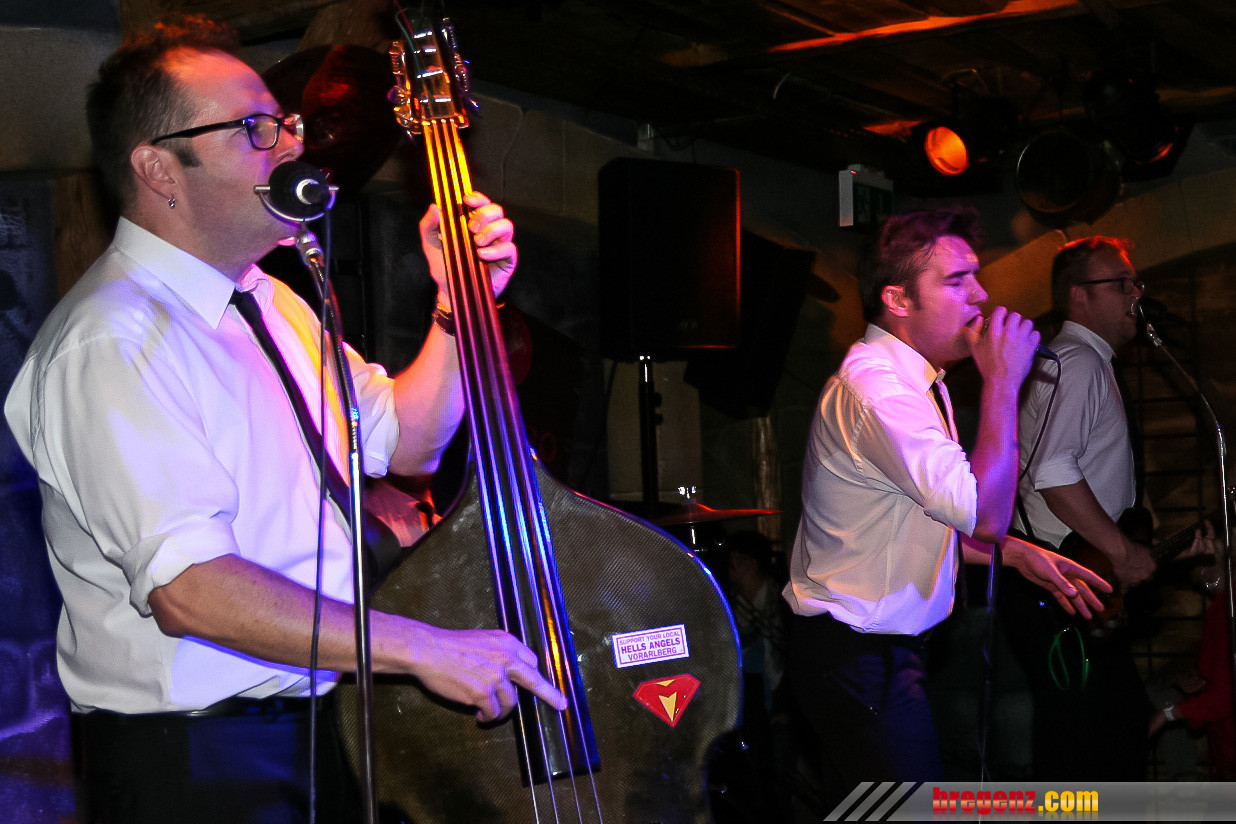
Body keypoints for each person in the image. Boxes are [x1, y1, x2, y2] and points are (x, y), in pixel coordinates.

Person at [3, 16, 566, 824]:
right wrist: (420, 646)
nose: (292, 147)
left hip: (317, 722)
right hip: (203, 761)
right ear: (159, 168)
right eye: (254, 129)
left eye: (286, 124)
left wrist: (456, 301)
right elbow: (191, 589)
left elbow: (408, 439)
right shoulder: (112, 340)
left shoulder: (273, 302)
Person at [782, 207, 1109, 804]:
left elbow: (913, 521)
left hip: (874, 653)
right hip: (858, 654)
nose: (980, 294)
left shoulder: (915, 381)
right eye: (957, 281)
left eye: (975, 277)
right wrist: (1002, 382)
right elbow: (985, 513)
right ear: (898, 299)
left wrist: (1015, 555)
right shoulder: (880, 391)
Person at [1004, 235, 1154, 780]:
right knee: (1088, 745)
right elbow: (1053, 473)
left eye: (1135, 283)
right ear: (1079, 296)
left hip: (1071, 581)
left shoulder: (1082, 362)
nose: (1135, 294)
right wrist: (1123, 551)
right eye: (1121, 283)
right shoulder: (1080, 361)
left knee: (1105, 731)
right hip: (1059, 583)